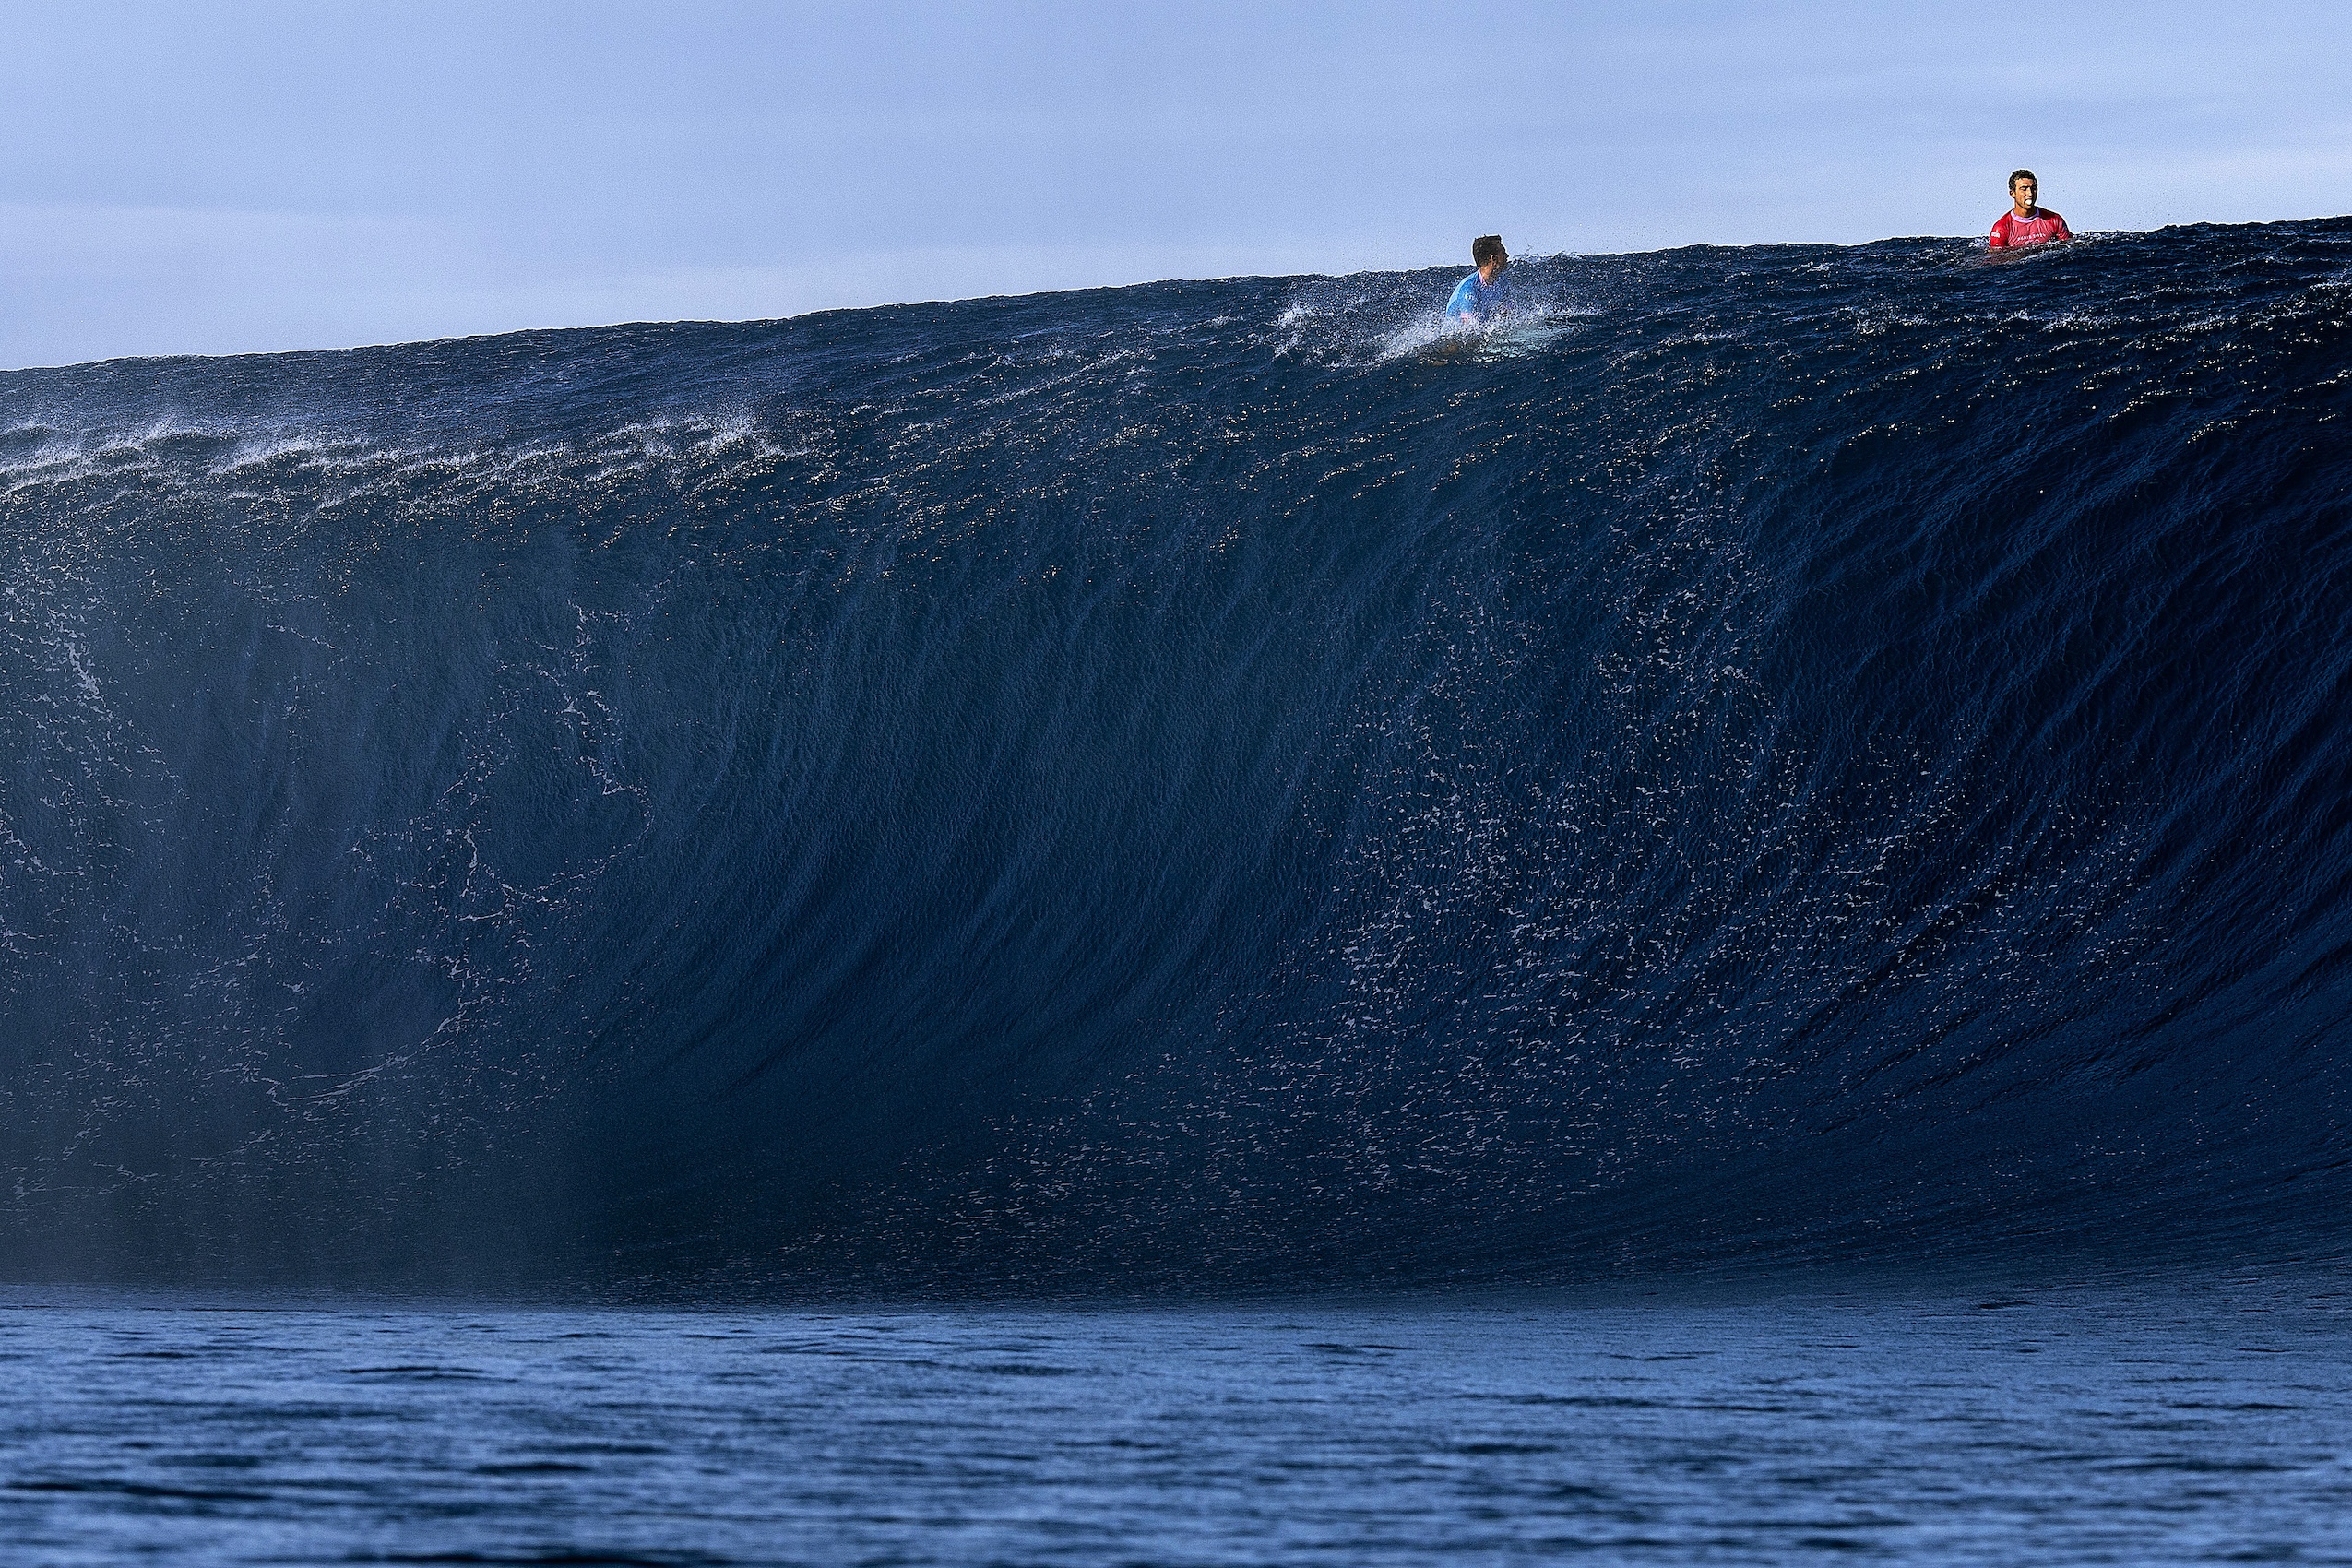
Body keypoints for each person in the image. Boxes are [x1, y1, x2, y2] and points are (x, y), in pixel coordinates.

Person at [1989, 171, 2072, 249]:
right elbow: (1997, 261)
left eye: (2033, 188)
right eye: (2024, 189)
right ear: (2012, 193)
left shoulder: (2054, 220)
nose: (2030, 194)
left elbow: (2069, 250)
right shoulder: (2001, 228)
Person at [1447, 235, 1511, 323]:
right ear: (1494, 259)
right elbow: (1468, 330)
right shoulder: (1469, 289)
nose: (1507, 256)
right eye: (1503, 253)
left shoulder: (1502, 283)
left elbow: (1507, 316)